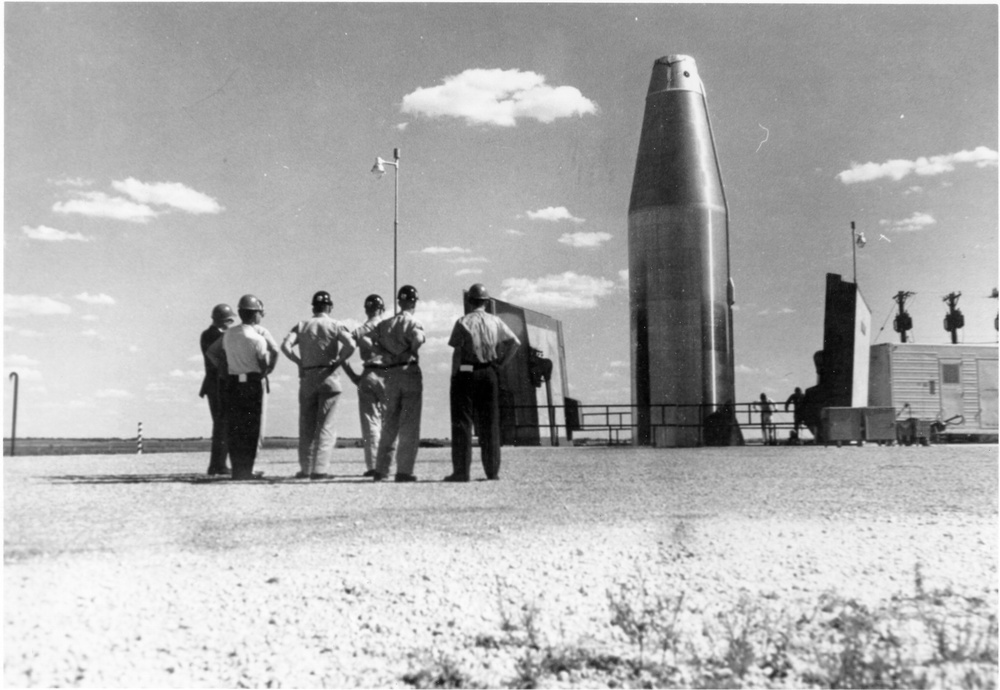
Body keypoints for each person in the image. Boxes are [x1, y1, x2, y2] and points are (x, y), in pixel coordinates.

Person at [445, 283, 520, 482]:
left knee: (462, 422)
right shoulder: (496, 322)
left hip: (467, 371)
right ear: (486, 302)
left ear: (470, 301)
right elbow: (515, 343)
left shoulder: (463, 321)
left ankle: (461, 472)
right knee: (490, 422)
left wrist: (454, 377)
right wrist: (501, 364)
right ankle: (492, 471)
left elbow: (458, 352)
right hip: (489, 372)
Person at [281, 291, 355, 480]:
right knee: (326, 425)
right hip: (329, 376)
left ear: (313, 307)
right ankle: (320, 469)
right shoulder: (336, 325)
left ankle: (305, 468)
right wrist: (339, 361)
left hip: (307, 376)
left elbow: (285, 347)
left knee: (306, 425)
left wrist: (298, 362)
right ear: (329, 307)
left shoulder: (301, 325)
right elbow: (351, 345)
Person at [208, 294, 278, 480]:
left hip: (232, 383)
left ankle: (238, 470)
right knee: (251, 428)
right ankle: (246, 470)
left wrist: (223, 370)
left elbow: (212, 353)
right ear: (255, 314)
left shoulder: (229, 333)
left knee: (235, 427)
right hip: (252, 384)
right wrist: (267, 370)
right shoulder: (258, 338)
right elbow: (265, 362)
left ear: (239, 313)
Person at [364, 285, 426, 482]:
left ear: (399, 301)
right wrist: (412, 350)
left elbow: (367, 340)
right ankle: (404, 471)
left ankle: (381, 470)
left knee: (389, 423)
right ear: (414, 302)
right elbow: (418, 338)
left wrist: (385, 353)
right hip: (409, 370)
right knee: (409, 425)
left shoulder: (385, 325)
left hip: (390, 373)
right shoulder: (412, 321)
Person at [343, 294, 394, 478]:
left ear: (366, 309)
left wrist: (353, 376)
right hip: (388, 374)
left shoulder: (360, 330)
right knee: (389, 421)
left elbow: (344, 351)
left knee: (370, 422)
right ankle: (387, 464)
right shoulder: (389, 327)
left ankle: (373, 465)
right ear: (382, 309)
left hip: (368, 375)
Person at [200, 303, 237, 476]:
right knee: (223, 425)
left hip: (214, 384)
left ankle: (217, 464)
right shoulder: (214, 335)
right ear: (226, 320)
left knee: (221, 424)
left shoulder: (208, 334)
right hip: (218, 384)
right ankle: (218, 465)